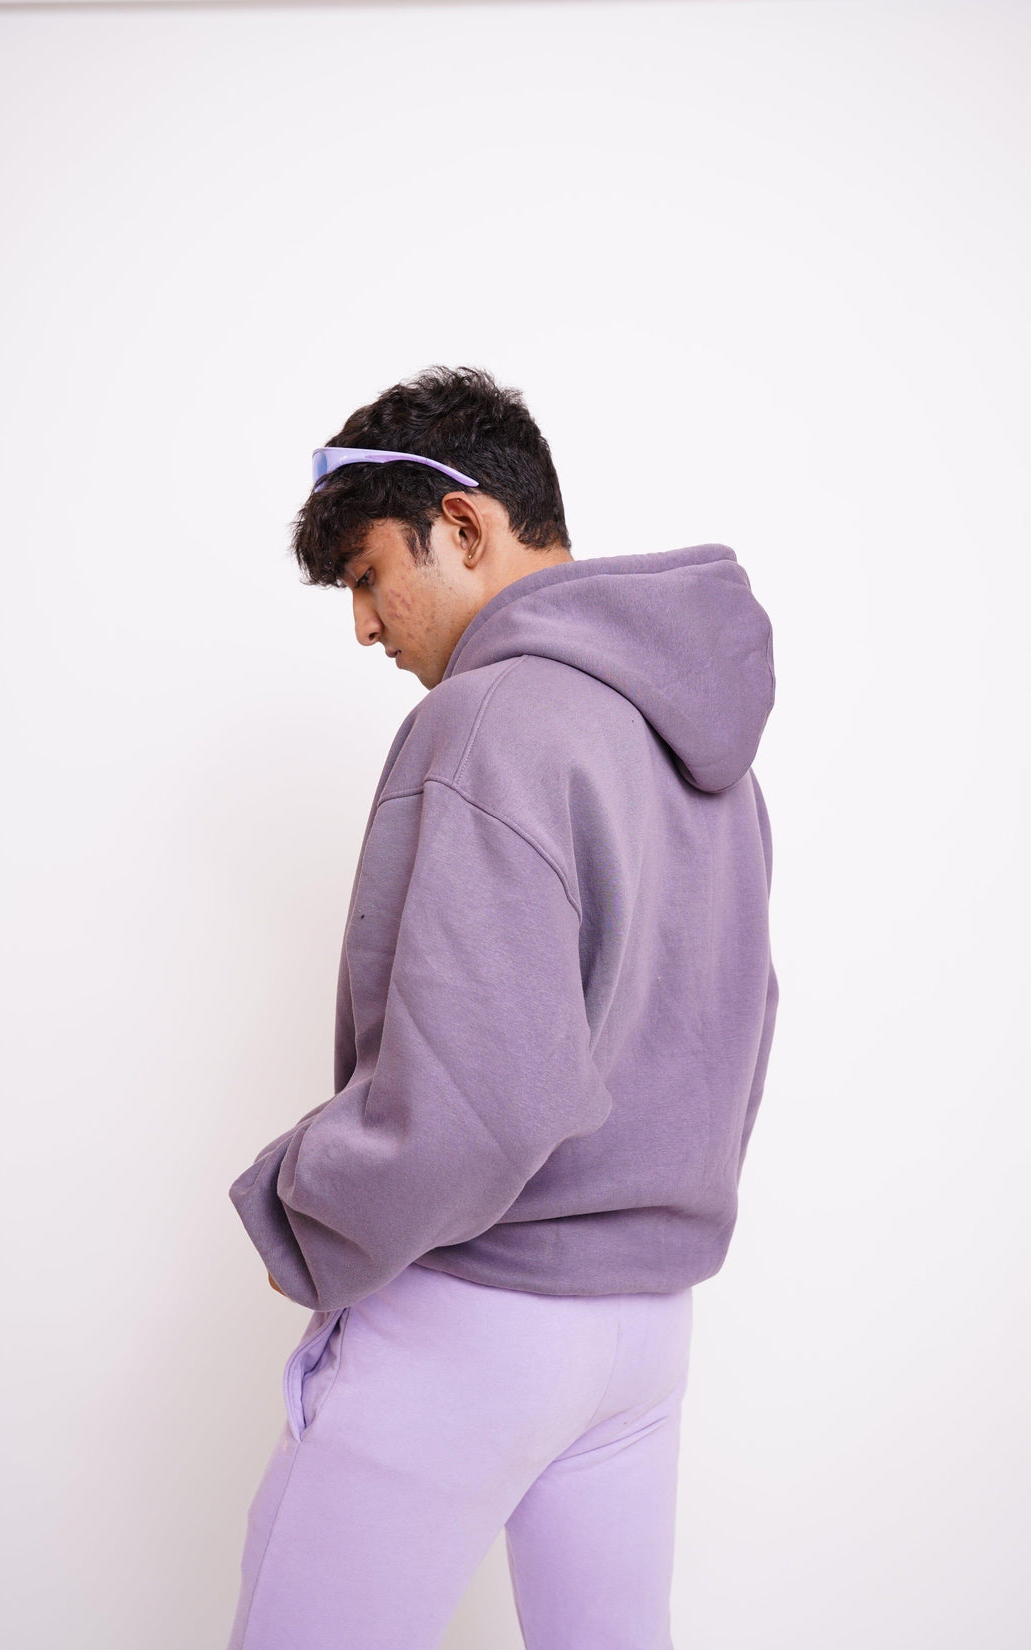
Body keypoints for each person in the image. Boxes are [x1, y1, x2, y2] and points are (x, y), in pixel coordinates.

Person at [225, 365, 779, 1650]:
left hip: (478, 1312)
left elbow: (477, 1097)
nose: (364, 626)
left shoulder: (485, 720)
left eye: (369, 576)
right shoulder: (706, 749)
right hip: (644, 1331)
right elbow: (738, 1018)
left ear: (463, 527)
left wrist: (297, 1201)